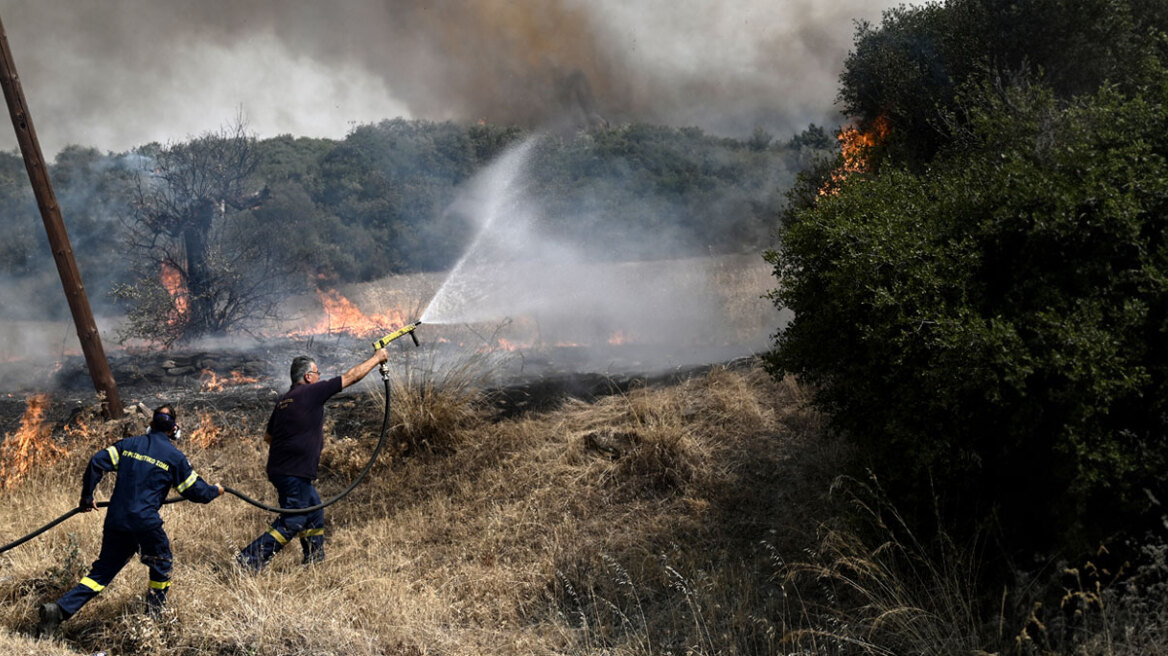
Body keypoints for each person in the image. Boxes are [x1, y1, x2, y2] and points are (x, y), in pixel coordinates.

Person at [37, 405, 223, 636]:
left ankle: (60, 610)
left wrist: (87, 497)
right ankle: (153, 620)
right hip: (145, 523)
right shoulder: (175, 458)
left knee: (103, 572)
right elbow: (197, 493)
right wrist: (216, 490)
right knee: (161, 563)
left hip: (116, 520)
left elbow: (97, 461)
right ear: (174, 429)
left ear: (151, 425)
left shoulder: (129, 445)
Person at [236, 348, 388, 571]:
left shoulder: (284, 401)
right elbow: (351, 376)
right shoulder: (311, 392)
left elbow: (269, 437)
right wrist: (377, 358)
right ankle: (249, 559)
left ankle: (314, 562)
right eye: (317, 373)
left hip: (285, 470)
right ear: (308, 376)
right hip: (293, 472)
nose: (319, 377)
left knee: (314, 510)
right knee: (293, 520)